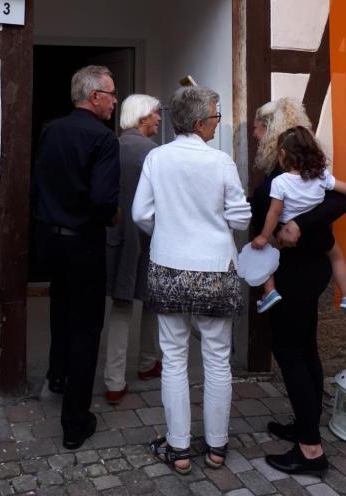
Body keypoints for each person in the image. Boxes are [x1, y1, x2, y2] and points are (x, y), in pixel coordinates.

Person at [132, 86, 251, 475]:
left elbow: (140, 214)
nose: (218, 124)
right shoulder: (221, 163)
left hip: (168, 266)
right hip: (215, 269)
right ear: (199, 122)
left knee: (174, 360)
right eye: (216, 117)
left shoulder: (157, 158)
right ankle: (216, 449)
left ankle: (179, 449)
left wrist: (170, 231)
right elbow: (240, 220)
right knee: (217, 360)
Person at [251, 98, 346, 476]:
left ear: (273, 135)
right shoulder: (312, 177)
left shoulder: (279, 183)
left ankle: (310, 449)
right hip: (312, 274)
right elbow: (339, 199)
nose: (256, 135)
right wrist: (305, 225)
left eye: (260, 129)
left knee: (290, 353)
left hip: (291, 279)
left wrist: (291, 227)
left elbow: (342, 201)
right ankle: (305, 423)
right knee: (305, 349)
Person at [33, 65, 120, 450]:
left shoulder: (51, 129)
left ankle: (57, 375)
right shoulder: (103, 139)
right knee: (86, 328)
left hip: (50, 241)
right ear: (94, 96)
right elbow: (103, 200)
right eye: (112, 94)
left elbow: (39, 182)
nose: (115, 101)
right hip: (84, 244)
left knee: (60, 309)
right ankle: (75, 421)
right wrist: (113, 215)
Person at [251, 125, 346, 316]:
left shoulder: (280, 182)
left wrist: (264, 236)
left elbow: (274, 212)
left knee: (265, 254)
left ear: (282, 154)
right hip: (319, 236)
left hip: (287, 237)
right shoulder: (320, 175)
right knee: (337, 256)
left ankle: (270, 291)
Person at [104, 94, 163, 405]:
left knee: (122, 304)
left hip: (117, 237)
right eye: (155, 114)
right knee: (152, 300)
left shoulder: (110, 147)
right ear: (142, 118)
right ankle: (147, 362)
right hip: (149, 237)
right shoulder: (154, 154)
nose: (159, 119)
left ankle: (114, 380)